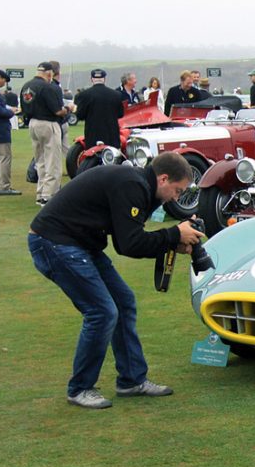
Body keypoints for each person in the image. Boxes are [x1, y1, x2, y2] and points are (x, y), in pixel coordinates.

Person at [28, 152, 204, 409]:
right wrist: (174, 233)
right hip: (54, 242)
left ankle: (132, 380)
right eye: (177, 191)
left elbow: (131, 237)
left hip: (79, 243)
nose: (176, 198)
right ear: (163, 178)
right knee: (101, 311)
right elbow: (128, 244)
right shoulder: (132, 185)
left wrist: (175, 240)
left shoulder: (142, 188)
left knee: (123, 302)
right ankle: (80, 388)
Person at [23, 61, 70, 205]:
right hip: (48, 124)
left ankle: (41, 192)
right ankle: (49, 195)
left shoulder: (26, 87)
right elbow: (57, 110)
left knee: (40, 160)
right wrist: (69, 109)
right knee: (53, 161)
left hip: (32, 123)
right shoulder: (47, 87)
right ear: (49, 73)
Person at [74, 68, 126, 151]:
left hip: (93, 135)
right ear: (104, 79)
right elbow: (120, 114)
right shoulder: (116, 95)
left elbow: (80, 115)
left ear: (92, 79)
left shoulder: (84, 95)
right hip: (111, 135)